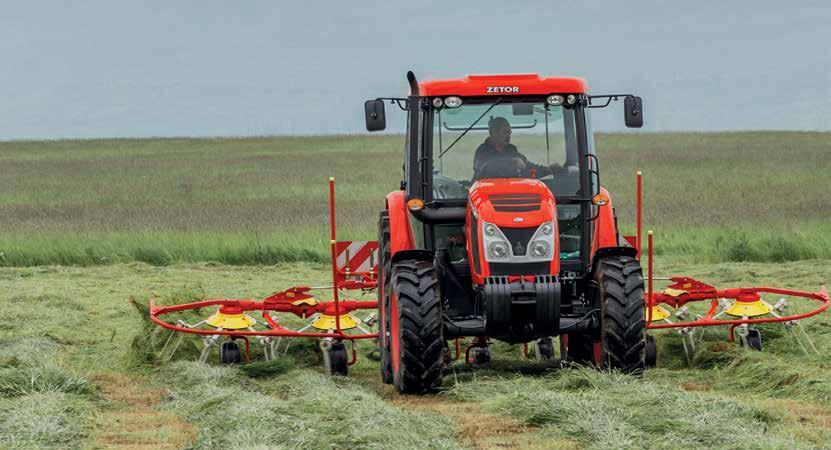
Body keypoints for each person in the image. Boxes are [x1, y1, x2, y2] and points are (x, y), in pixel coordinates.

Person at [472, 117, 563, 180]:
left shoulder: (511, 150)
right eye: (505, 132)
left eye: (510, 132)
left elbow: (527, 165)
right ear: (493, 133)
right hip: (485, 193)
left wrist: (547, 170)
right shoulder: (482, 151)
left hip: (511, 191)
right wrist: (511, 162)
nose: (509, 135)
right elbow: (486, 168)